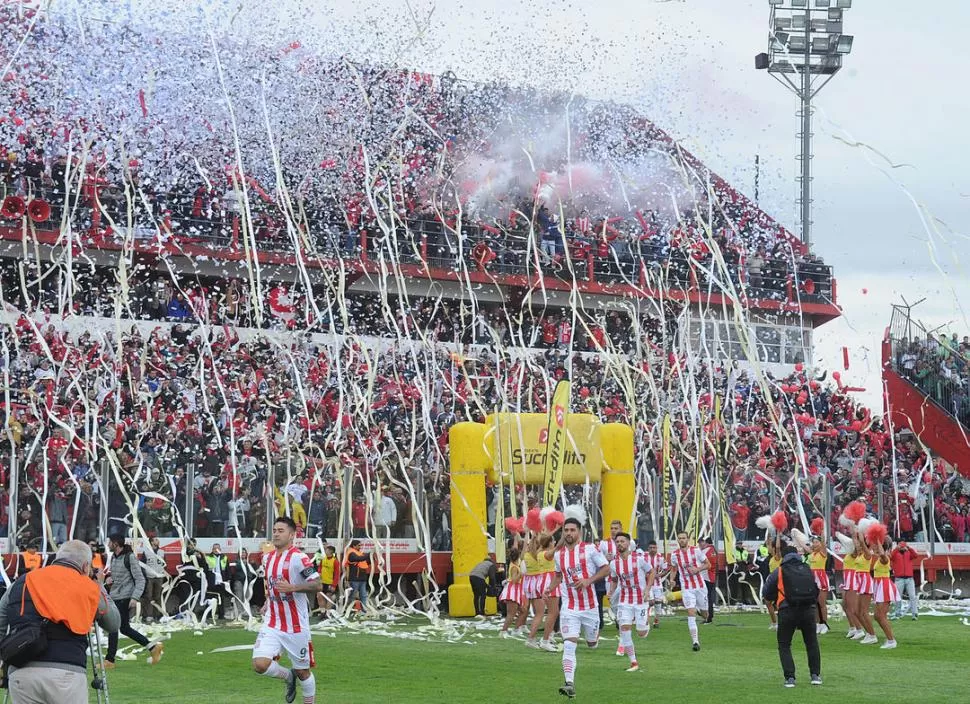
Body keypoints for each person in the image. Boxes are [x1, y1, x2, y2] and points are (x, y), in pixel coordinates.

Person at [0, 540, 121, 703]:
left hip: (21, 669)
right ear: (86, 566)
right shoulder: (88, 586)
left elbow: (1, 620)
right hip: (66, 671)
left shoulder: (23, 581)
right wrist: (100, 586)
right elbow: (113, 623)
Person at [252, 516, 322, 704]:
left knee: (303, 672)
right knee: (260, 664)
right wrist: (268, 601)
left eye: (281, 531)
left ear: (292, 535)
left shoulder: (299, 558)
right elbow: (271, 584)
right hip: (273, 622)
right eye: (274, 530)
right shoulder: (267, 558)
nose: (276, 533)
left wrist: (293, 588)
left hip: (295, 625)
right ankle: (287, 677)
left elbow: (318, 584)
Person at [544, 518, 610, 699]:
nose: (569, 533)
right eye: (566, 530)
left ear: (579, 532)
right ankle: (569, 683)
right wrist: (549, 588)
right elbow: (559, 576)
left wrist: (589, 581)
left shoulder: (590, 549)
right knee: (569, 643)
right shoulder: (559, 555)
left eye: (572, 530)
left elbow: (606, 568)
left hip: (590, 607)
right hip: (570, 607)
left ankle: (593, 639)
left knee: (591, 644)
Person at [762, 544, 822, 688]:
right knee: (811, 643)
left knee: (784, 644)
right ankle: (815, 675)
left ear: (783, 556)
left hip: (787, 609)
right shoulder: (807, 569)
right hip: (808, 610)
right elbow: (816, 590)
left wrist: (776, 599)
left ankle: (790, 678)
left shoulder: (780, 571)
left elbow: (767, 592)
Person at [104, 534, 164, 668]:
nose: (107, 545)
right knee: (124, 628)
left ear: (115, 544)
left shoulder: (130, 557)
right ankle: (153, 647)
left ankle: (110, 660)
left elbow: (140, 579)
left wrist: (134, 597)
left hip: (125, 597)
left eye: (109, 542)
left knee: (113, 626)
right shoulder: (114, 557)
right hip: (116, 596)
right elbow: (117, 576)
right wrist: (109, 580)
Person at [610, 532, 655, 672]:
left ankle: (646, 621)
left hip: (640, 600)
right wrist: (611, 592)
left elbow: (652, 572)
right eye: (617, 542)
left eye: (622, 541)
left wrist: (647, 589)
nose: (619, 544)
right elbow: (614, 579)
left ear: (628, 543)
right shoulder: (613, 563)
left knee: (641, 633)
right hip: (625, 601)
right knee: (624, 629)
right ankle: (633, 662)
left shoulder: (639, 559)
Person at [668, 531, 711, 651]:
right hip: (686, 588)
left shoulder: (696, 551)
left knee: (705, 615)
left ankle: (699, 609)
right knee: (690, 612)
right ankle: (695, 642)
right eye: (679, 538)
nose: (681, 540)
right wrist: (672, 580)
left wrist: (697, 569)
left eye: (683, 538)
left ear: (688, 539)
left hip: (700, 586)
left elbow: (708, 564)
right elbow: (674, 569)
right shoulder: (674, 555)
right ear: (678, 540)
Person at [870, 537, 899, 649]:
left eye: (876, 545)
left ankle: (891, 640)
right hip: (880, 586)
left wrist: (878, 538)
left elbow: (882, 553)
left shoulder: (884, 558)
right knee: (878, 616)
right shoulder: (879, 558)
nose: (874, 546)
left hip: (885, 586)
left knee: (880, 616)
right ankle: (890, 639)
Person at [851, 532, 878, 645]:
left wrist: (861, 536)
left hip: (865, 581)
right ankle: (868, 633)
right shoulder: (859, 554)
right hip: (859, 582)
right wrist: (854, 533)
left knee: (864, 611)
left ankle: (872, 635)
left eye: (860, 544)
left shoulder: (867, 555)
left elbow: (861, 542)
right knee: (856, 612)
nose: (857, 545)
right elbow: (856, 541)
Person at [499, 547, 526, 638]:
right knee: (511, 613)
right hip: (513, 590)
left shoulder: (516, 564)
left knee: (523, 611)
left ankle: (516, 630)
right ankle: (503, 631)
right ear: (517, 557)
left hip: (517, 589)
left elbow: (523, 553)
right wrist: (521, 574)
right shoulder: (514, 567)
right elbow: (514, 580)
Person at [889, 541, 920, 620]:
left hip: (909, 578)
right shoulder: (895, 553)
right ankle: (897, 613)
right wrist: (896, 549)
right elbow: (890, 557)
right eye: (901, 546)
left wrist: (909, 548)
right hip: (899, 578)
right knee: (898, 597)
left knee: (912, 596)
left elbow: (916, 555)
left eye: (904, 546)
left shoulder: (908, 553)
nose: (903, 548)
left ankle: (914, 614)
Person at [140, 536, 168, 622]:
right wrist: (145, 575)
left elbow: (165, 564)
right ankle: (148, 615)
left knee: (158, 596)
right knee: (148, 596)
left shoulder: (161, 552)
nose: (158, 541)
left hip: (159, 577)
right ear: (151, 542)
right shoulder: (146, 552)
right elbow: (142, 564)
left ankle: (158, 615)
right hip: (149, 577)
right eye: (156, 539)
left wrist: (163, 573)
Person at [642, 541, 668, 629]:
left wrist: (657, 575)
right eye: (651, 548)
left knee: (658, 602)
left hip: (657, 583)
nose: (652, 549)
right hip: (647, 584)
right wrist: (644, 575)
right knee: (650, 602)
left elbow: (665, 570)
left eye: (654, 548)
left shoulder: (660, 558)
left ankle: (657, 619)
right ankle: (645, 620)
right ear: (648, 548)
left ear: (656, 548)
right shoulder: (643, 557)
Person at [807, 536, 830, 634]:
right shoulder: (812, 554)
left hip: (821, 579)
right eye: (814, 542)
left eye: (817, 542)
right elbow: (804, 545)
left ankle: (824, 623)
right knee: (815, 603)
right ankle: (817, 624)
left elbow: (824, 544)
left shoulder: (823, 553)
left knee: (821, 603)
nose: (815, 544)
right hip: (813, 579)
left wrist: (822, 531)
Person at [205, 543, 231, 620]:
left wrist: (228, 579)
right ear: (212, 550)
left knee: (221, 599)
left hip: (221, 581)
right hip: (211, 580)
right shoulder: (208, 557)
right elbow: (205, 569)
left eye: (217, 548)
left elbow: (227, 569)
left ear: (220, 549)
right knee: (210, 598)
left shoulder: (224, 557)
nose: (216, 550)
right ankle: (209, 615)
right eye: (214, 548)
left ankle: (221, 615)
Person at [343, 540, 370, 612]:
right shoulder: (351, 553)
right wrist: (369, 555)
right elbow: (358, 559)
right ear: (354, 546)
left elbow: (365, 562)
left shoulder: (359, 553)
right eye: (358, 545)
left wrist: (371, 558)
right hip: (354, 578)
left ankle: (364, 610)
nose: (360, 547)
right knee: (353, 595)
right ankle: (350, 609)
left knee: (363, 595)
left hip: (362, 578)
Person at [314, 545, 339, 619]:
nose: (325, 551)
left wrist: (334, 585)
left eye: (327, 550)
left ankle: (328, 614)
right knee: (319, 596)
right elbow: (320, 568)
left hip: (330, 583)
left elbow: (337, 574)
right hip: (322, 582)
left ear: (331, 551)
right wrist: (319, 574)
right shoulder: (323, 559)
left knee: (329, 598)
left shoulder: (335, 561)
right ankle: (322, 612)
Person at [697, 536, 717, 624]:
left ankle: (708, 617)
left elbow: (700, 562)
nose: (700, 544)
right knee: (708, 598)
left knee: (705, 598)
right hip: (710, 577)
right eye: (699, 542)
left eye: (701, 542)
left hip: (706, 577)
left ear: (706, 543)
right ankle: (709, 616)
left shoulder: (706, 551)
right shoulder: (713, 550)